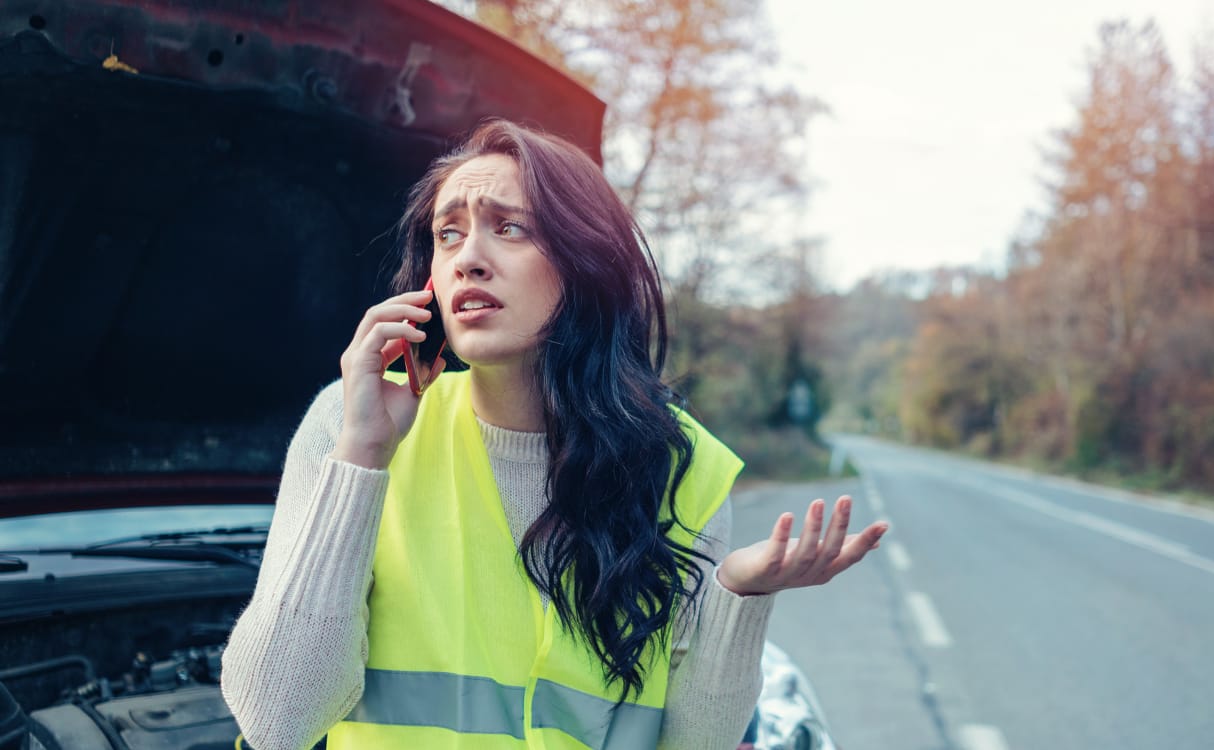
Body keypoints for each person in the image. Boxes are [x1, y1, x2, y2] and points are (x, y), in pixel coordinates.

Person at [220, 118, 887, 750]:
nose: (468, 259)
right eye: (447, 235)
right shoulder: (353, 423)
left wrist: (739, 595)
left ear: (584, 262)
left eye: (509, 228)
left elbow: (691, 742)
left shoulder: (681, 466)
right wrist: (363, 457)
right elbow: (278, 721)